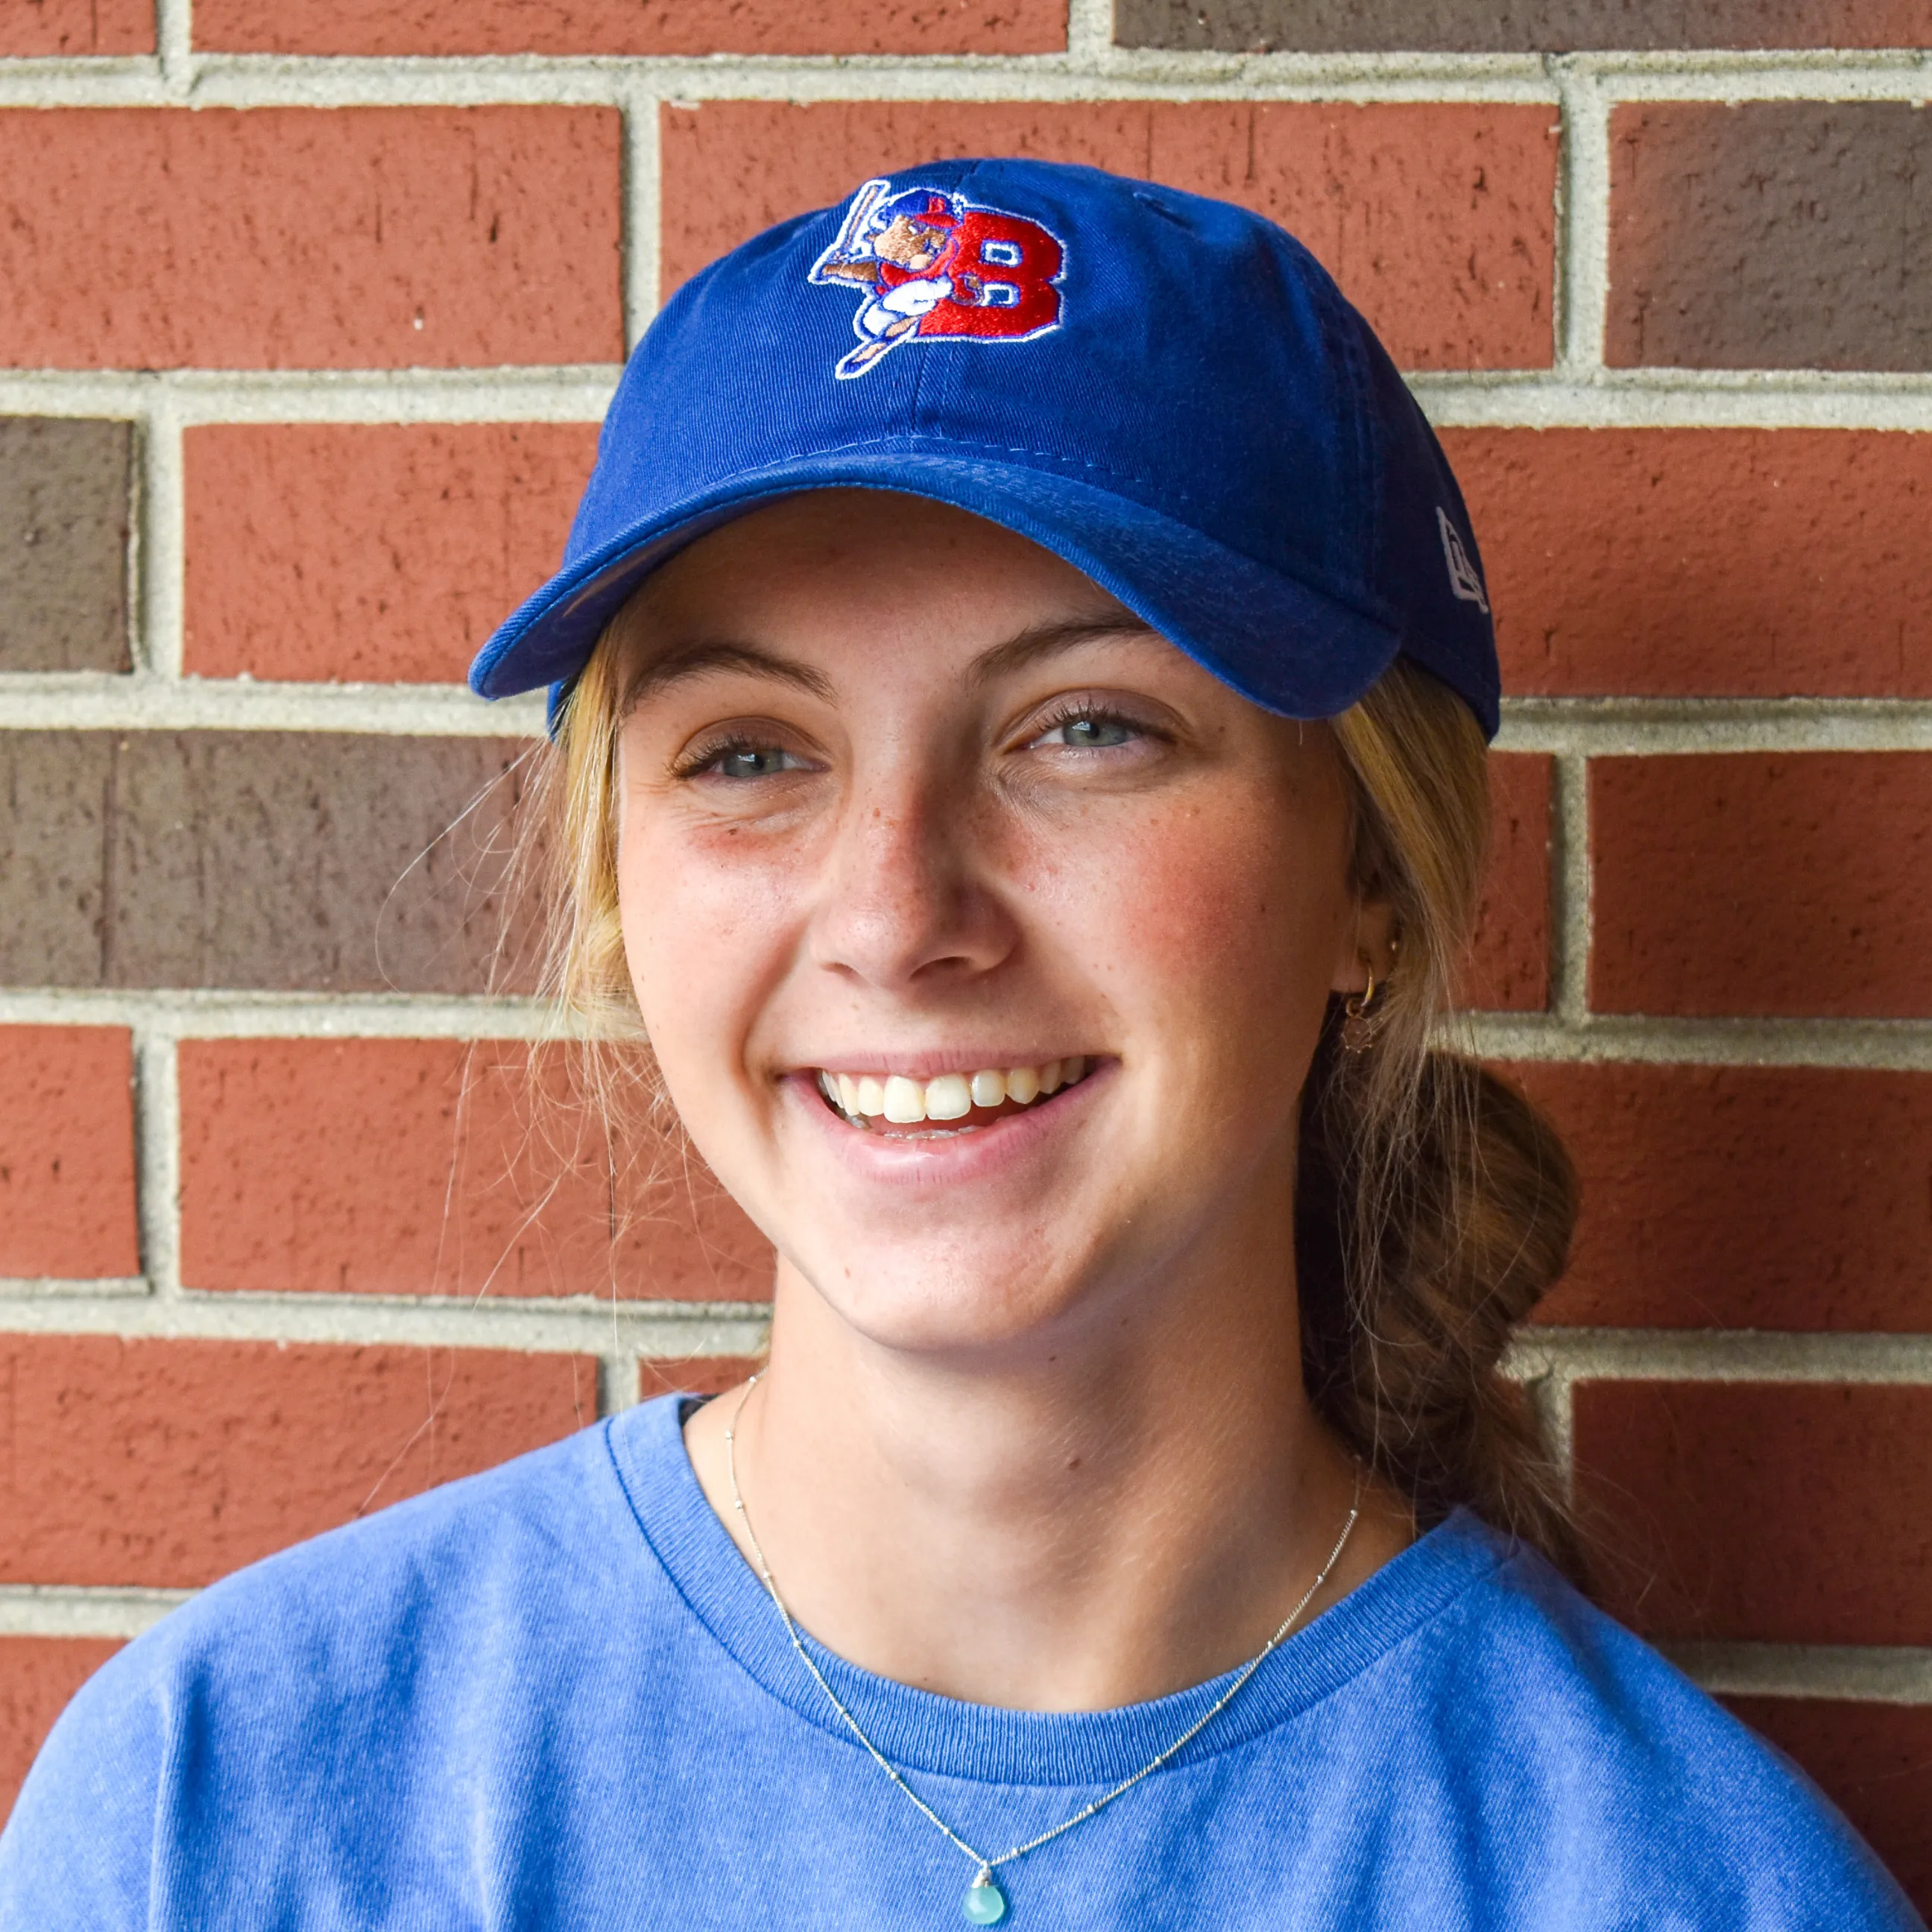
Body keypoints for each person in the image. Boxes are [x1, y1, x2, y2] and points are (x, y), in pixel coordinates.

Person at [0, 159, 1919, 1931]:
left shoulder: (1680, 1890)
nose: (897, 915)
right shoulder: (226, 1804)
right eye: (752, 753)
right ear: (614, 883)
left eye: (1085, 729)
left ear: (1375, 888)